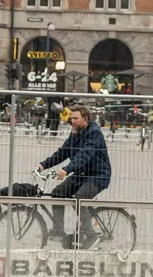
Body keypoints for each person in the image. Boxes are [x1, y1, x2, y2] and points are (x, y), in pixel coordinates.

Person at [35, 105, 111, 248]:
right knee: (57, 193)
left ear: (85, 119)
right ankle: (58, 230)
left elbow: (84, 155)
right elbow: (63, 152)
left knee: (78, 199)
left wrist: (67, 169)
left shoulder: (94, 133)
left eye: (76, 118)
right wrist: (44, 165)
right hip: (81, 174)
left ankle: (91, 235)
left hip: (98, 175)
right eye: (71, 119)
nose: (72, 121)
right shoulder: (75, 132)